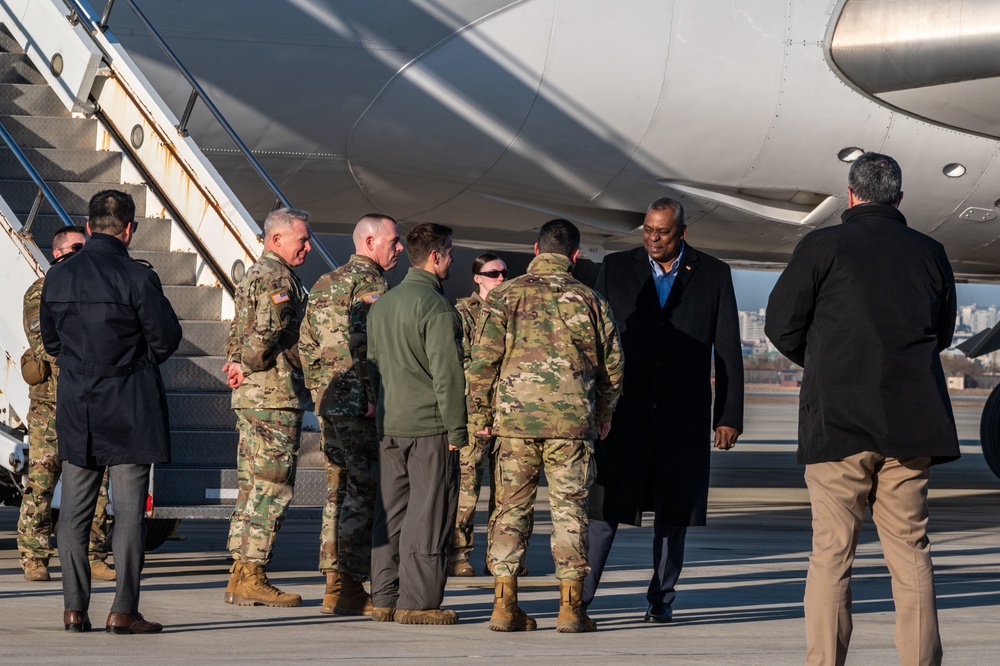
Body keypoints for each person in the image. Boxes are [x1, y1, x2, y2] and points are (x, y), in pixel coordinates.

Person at [765, 152, 959, 666]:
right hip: (910, 424)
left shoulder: (822, 245)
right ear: (899, 197)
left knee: (831, 556)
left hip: (837, 425)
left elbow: (780, 325)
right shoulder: (930, 251)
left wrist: (828, 361)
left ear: (850, 195)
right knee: (911, 553)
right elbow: (942, 333)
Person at [584, 197, 743, 623]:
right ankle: (579, 597)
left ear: (682, 232)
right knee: (604, 508)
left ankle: (662, 598)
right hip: (621, 413)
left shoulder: (712, 273)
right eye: (648, 231)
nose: (653, 239)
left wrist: (728, 416)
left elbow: (727, 349)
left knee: (674, 513)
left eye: (663, 232)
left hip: (682, 415)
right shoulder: (616, 268)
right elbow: (593, 341)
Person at [468, 219, 624, 633]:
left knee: (509, 511)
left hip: (515, 425)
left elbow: (482, 362)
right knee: (570, 512)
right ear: (574, 256)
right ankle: (571, 609)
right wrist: (604, 414)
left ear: (535, 250)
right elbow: (612, 367)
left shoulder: (504, 295)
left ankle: (504, 605)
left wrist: (480, 417)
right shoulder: (590, 299)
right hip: (571, 426)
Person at [40, 190, 182, 634]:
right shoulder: (137, 278)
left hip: (78, 405)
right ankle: (123, 609)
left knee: (74, 513)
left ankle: (73, 608)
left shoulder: (57, 277)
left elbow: (52, 344)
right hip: (129, 406)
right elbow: (166, 341)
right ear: (128, 230)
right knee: (128, 515)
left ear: (87, 227)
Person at [299, 213, 403, 615]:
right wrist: (371, 393)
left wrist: (318, 389)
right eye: (393, 242)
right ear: (371, 242)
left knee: (337, 490)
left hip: (330, 404)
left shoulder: (324, 283)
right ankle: (349, 584)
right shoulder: (371, 283)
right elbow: (365, 345)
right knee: (363, 491)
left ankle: (333, 581)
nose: (397, 249)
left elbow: (305, 345)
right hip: (359, 405)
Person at [367, 222, 467, 625]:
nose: (452, 260)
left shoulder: (384, 304)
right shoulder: (436, 307)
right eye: (450, 253)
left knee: (389, 513)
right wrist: (457, 431)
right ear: (436, 256)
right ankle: (419, 601)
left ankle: (384, 597)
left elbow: (373, 368)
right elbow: (447, 376)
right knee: (429, 513)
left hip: (390, 425)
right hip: (430, 427)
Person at [223, 207, 313, 607]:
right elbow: (268, 331)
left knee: (251, 486)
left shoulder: (253, 274)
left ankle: (241, 571)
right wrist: (247, 362)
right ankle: (252, 574)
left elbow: (236, 328)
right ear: (277, 240)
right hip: (273, 396)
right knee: (272, 485)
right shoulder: (278, 278)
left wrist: (235, 363)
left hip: (252, 397)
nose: (308, 247)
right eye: (302, 240)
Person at [18, 226, 115, 583]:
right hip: (51, 405)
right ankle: (34, 554)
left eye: (86, 247)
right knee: (43, 479)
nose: (83, 252)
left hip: (91, 399)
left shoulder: (97, 288)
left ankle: (93, 553)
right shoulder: (40, 292)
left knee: (98, 481)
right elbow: (44, 343)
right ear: (58, 252)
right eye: (77, 247)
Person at [448, 253, 511, 578]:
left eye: (503, 273)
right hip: (474, 414)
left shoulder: (511, 311)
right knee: (467, 491)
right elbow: (463, 364)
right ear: (477, 277)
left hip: (506, 414)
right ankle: (459, 554)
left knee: (505, 492)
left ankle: (500, 557)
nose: (500, 278)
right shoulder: (463, 313)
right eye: (493, 273)